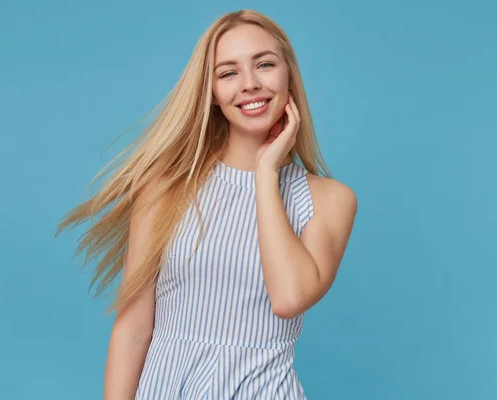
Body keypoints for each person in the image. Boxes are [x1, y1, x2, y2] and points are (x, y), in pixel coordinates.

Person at [56, 9, 357, 399]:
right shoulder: (165, 189)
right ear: (211, 93)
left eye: (264, 64)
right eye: (228, 72)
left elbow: (288, 299)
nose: (249, 84)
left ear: (288, 76)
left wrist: (266, 171)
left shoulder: (328, 199)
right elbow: (132, 329)